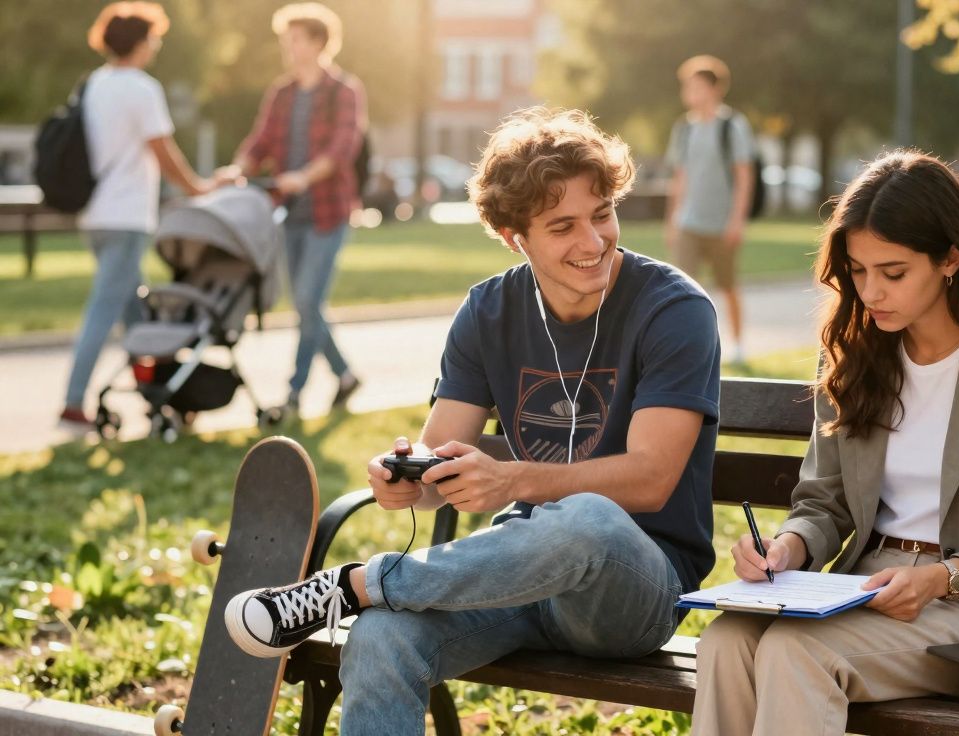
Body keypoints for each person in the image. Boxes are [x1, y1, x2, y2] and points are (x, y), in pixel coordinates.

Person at [224, 108, 721, 734]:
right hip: (513, 581)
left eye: (602, 215)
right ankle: (370, 595)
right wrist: (410, 479)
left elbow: (651, 481)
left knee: (591, 518)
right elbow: (439, 468)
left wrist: (512, 481)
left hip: (631, 591)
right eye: (563, 226)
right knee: (381, 637)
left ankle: (358, 583)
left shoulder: (673, 308)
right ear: (516, 237)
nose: (593, 243)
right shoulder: (489, 310)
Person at [690, 151, 959, 736]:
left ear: (950, 258)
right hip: (862, 584)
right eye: (857, 271)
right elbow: (824, 503)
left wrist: (943, 577)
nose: (871, 292)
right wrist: (788, 550)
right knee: (726, 641)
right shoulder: (856, 351)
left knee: (797, 654)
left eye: (893, 272)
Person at [60, 1, 213, 430]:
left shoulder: (94, 84)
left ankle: (162, 394)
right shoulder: (141, 88)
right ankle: (73, 405)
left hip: (95, 216)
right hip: (126, 217)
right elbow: (164, 152)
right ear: (140, 42)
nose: (157, 45)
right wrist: (198, 188)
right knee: (103, 310)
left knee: (137, 315)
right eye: (154, 38)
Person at [217, 2, 365, 416]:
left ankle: (294, 394)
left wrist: (305, 175)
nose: (289, 47)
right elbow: (260, 141)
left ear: (318, 42)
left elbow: (342, 148)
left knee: (305, 299)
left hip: (327, 212)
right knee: (306, 304)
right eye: (287, 40)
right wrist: (239, 168)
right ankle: (345, 375)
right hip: (289, 214)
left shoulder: (344, 91)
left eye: (295, 39)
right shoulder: (281, 93)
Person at [665, 54, 756, 365]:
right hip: (689, 223)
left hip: (722, 225)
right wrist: (672, 220)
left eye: (696, 85)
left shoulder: (732, 126)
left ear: (715, 88)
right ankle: (688, 349)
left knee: (728, 286)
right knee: (682, 289)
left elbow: (744, 177)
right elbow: (680, 179)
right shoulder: (684, 129)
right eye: (687, 86)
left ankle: (739, 345)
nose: (690, 91)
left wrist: (736, 221)